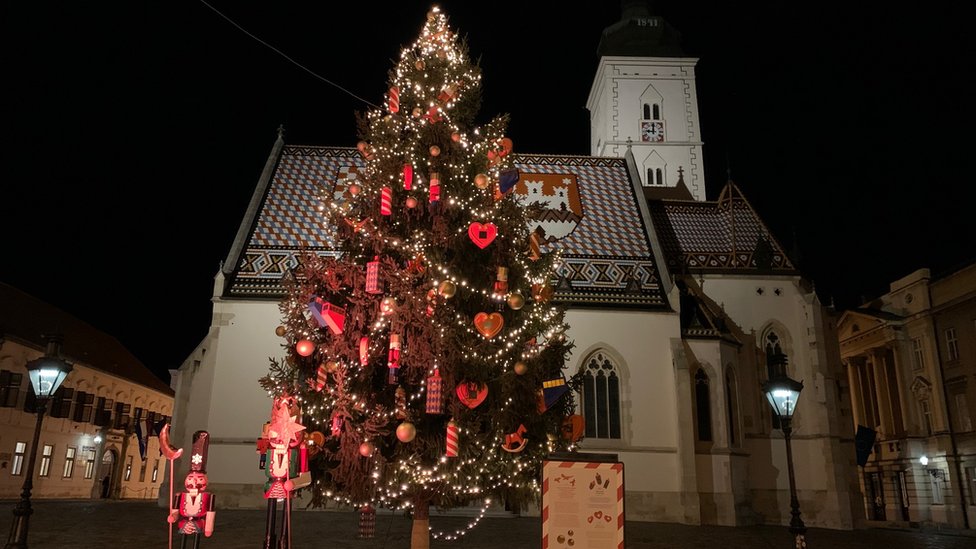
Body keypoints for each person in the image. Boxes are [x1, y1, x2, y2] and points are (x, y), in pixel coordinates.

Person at [167, 431, 216, 548]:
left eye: (199, 479)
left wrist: (208, 528)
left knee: (195, 542)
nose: (194, 483)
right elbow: (175, 511)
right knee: (183, 541)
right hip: (184, 522)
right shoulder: (180, 496)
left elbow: (210, 513)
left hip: (198, 522)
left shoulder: (208, 497)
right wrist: (172, 517)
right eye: (190, 478)